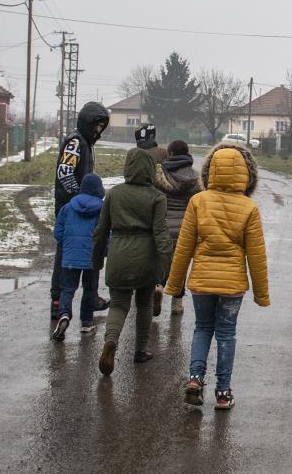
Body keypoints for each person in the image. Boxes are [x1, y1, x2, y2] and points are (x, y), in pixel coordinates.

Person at [163, 143, 269, 410]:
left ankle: (196, 379)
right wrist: (261, 294)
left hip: (201, 281)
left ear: (209, 172)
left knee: (202, 328)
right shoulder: (248, 208)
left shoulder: (198, 202)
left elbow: (184, 247)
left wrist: (174, 283)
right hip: (232, 285)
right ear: (246, 174)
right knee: (226, 333)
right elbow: (256, 255)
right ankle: (223, 393)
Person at [91, 149, 171, 374]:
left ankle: (111, 341)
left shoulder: (114, 194)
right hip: (146, 257)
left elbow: (100, 231)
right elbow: (160, 233)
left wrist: (97, 260)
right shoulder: (157, 197)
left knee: (118, 304)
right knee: (144, 303)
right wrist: (166, 263)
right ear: (149, 170)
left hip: (119, 254)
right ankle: (140, 350)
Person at [51, 101, 110, 323]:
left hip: (80, 206)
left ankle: (90, 297)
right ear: (88, 122)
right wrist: (79, 199)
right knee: (64, 255)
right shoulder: (75, 142)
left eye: (102, 127)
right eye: (97, 125)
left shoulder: (86, 143)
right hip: (71, 209)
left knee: (89, 251)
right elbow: (65, 173)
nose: (99, 131)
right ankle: (57, 301)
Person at [52, 172, 105, 341]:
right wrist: (104, 250)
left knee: (67, 289)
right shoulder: (101, 209)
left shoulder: (67, 208)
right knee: (90, 289)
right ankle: (87, 322)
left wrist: (67, 245)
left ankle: (64, 314)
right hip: (92, 257)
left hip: (69, 257)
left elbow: (58, 233)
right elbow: (105, 232)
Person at [151, 139, 200, 317]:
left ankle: (159, 285)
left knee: (162, 260)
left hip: (162, 224)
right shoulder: (195, 177)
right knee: (181, 264)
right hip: (185, 227)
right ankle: (177, 303)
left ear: (170, 154)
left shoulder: (159, 174)